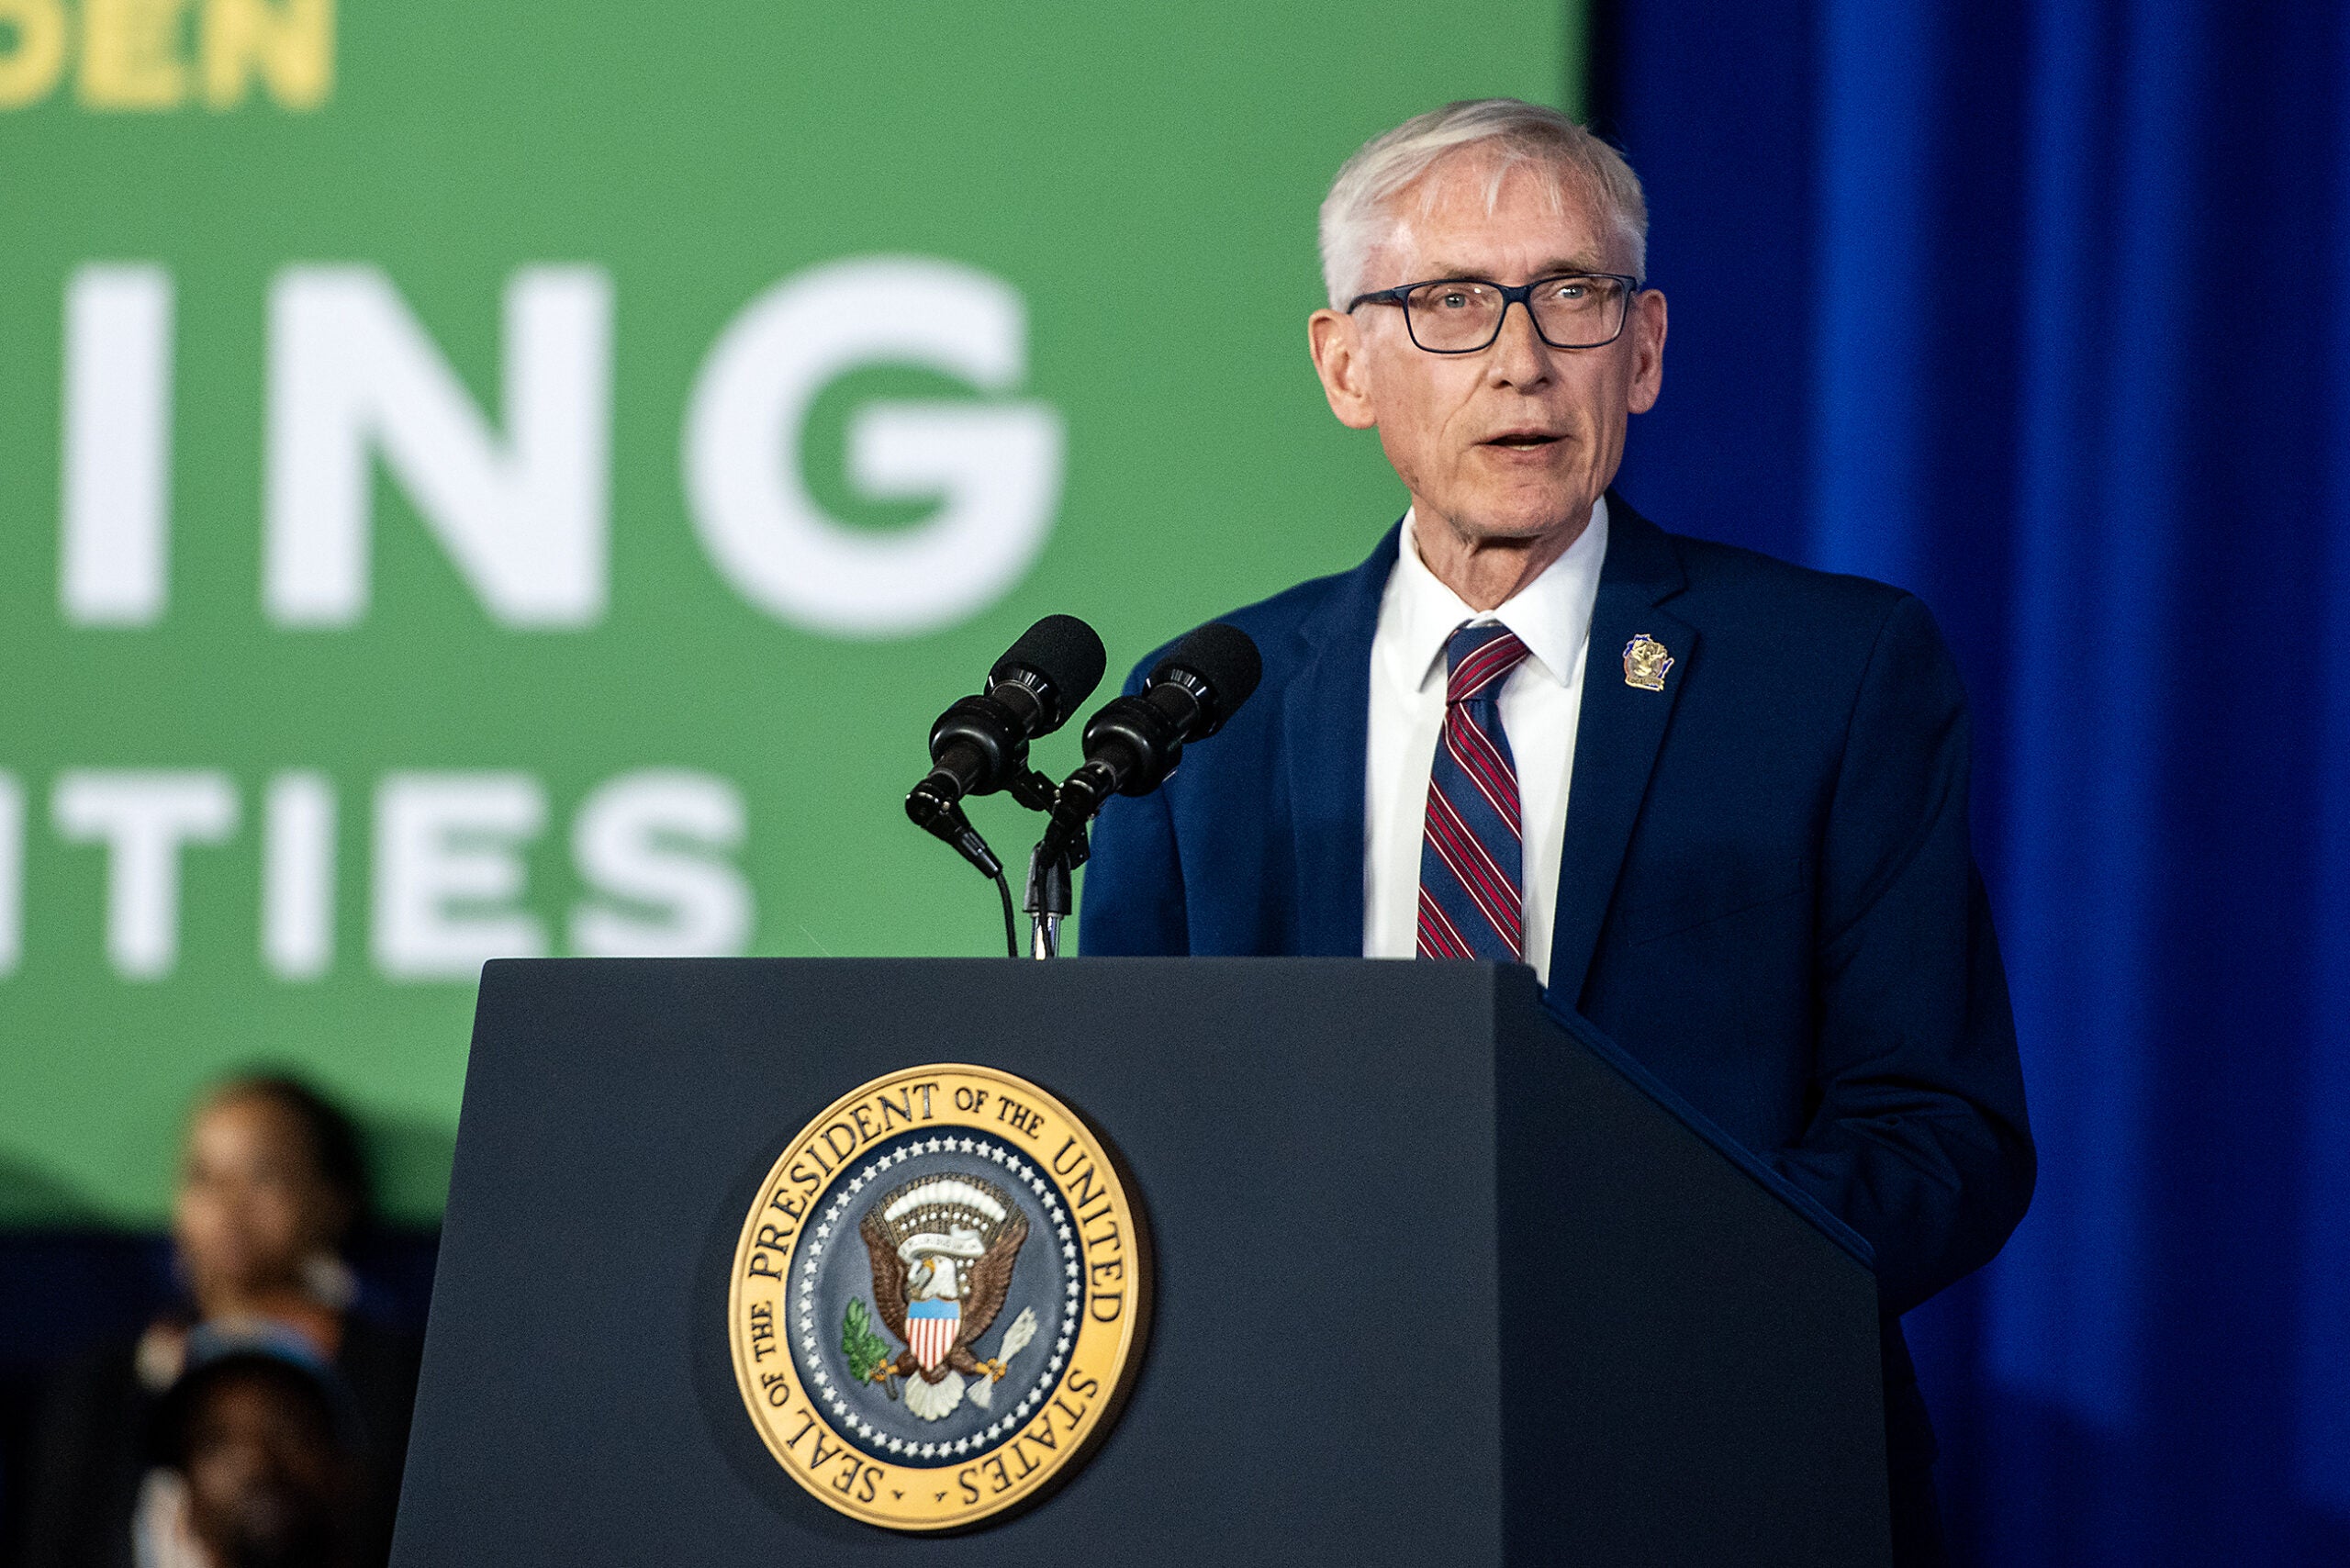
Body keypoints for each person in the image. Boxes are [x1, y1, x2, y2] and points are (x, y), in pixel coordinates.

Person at [1078, 98, 2034, 1564]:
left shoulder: (1829, 675)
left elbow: (1939, 1134)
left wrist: (1624, 1278)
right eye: (1451, 303)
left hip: (1712, 1472)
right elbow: (1130, 1138)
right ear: (1344, 366)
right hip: (1304, 1472)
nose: (1520, 359)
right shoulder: (1207, 715)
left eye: (1570, 296)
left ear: (1641, 349)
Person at [20, 1077, 419, 1568]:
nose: (227, 1205)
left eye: (263, 1175)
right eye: (204, 1178)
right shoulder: (104, 1382)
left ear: (334, 1199)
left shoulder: (404, 1380)